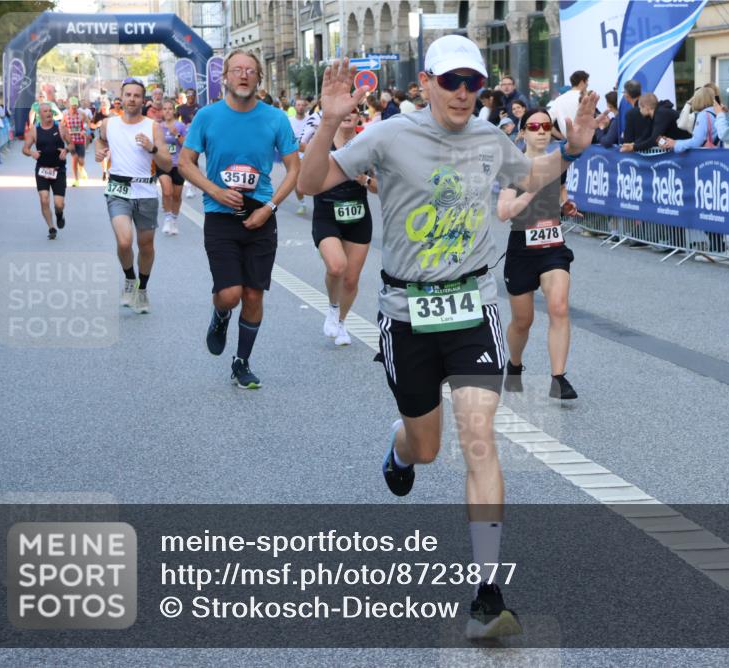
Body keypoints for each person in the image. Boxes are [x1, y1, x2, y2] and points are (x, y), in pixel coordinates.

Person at [297, 38, 598, 639]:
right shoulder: (387, 136)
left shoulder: (490, 137)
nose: (464, 93)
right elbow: (309, 184)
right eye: (454, 81)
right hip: (406, 310)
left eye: (474, 84)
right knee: (427, 448)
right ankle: (401, 444)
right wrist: (330, 121)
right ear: (428, 81)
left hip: (474, 304)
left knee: (479, 438)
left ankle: (487, 592)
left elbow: (529, 172)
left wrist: (573, 148)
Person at [179, 49, 300, 388]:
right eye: (237, 70)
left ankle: (242, 362)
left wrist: (270, 207)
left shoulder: (275, 118)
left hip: (260, 214)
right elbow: (185, 162)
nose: (244, 75)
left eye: (250, 70)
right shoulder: (207, 116)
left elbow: (294, 169)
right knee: (230, 294)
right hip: (221, 214)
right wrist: (214, 191)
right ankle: (220, 316)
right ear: (226, 78)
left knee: (253, 295)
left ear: (259, 78)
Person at [498, 108, 580, 399]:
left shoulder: (558, 163)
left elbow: (561, 196)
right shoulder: (514, 168)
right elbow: (502, 213)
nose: (542, 130)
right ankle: (515, 364)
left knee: (559, 307)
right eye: (534, 126)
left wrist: (565, 206)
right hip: (521, 248)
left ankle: (558, 379)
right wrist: (529, 193)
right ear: (523, 133)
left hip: (553, 247)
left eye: (547, 125)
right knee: (523, 321)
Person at [94, 77, 173, 314]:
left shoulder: (152, 127)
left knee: (146, 245)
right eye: (128, 95)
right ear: (122, 97)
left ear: (143, 99)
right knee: (124, 241)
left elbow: (167, 164)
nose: (132, 99)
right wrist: (100, 153)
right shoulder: (108, 124)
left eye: (137, 95)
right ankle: (129, 279)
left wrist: (152, 148)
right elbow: (100, 142)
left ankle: (142, 289)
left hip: (146, 190)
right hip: (118, 188)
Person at [303, 107, 376, 347]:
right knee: (336, 267)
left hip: (358, 215)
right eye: (343, 110)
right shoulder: (321, 142)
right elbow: (305, 178)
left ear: (358, 116)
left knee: (351, 280)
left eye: (353, 111)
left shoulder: (367, 144)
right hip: (327, 213)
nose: (347, 114)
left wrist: (363, 179)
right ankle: (333, 307)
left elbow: (379, 186)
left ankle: (342, 322)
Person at [23, 102, 74, 239]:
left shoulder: (61, 128)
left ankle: (59, 214)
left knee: (59, 204)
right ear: (39, 115)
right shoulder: (34, 130)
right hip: (42, 170)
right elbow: (25, 149)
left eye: (50, 111)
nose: (49, 113)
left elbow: (72, 144)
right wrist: (32, 153)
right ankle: (51, 227)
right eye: (45, 111)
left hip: (58, 170)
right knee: (44, 199)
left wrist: (66, 150)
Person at [659, 86, 720, 152]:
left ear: (698, 99)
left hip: (706, 156)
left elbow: (697, 141)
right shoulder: (718, 112)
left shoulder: (703, 115)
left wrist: (675, 143)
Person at [158, 99, 188, 235]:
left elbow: (187, 145)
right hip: (163, 163)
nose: (168, 111)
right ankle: (167, 218)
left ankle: (174, 220)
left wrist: (176, 134)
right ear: (162, 111)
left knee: (176, 196)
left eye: (170, 108)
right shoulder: (158, 127)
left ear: (173, 111)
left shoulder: (180, 126)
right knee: (166, 192)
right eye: (165, 109)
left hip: (178, 164)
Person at [620, 93, 688, 153]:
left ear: (646, 107)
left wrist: (633, 147)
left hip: (687, 147)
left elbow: (653, 139)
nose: (640, 111)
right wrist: (633, 144)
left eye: (640, 108)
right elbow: (647, 135)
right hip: (681, 147)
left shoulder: (661, 113)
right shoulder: (654, 115)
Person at [549, 70, 588, 140]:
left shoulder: (559, 100)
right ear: (582, 82)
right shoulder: (586, 98)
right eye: (587, 82)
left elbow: (547, 122)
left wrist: (561, 137)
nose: (587, 85)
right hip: (585, 141)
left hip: (567, 142)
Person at [62, 97, 90, 186]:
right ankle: (76, 180)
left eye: (76, 107)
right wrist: (65, 132)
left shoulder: (82, 114)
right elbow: (62, 125)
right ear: (69, 106)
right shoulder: (66, 115)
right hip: (71, 140)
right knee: (74, 158)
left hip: (80, 139)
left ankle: (81, 169)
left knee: (81, 161)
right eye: (73, 107)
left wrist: (84, 130)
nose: (74, 109)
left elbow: (88, 122)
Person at [91, 99, 111, 179]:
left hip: (111, 138)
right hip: (101, 138)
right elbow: (91, 125)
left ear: (108, 107)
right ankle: (104, 171)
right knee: (103, 156)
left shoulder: (112, 115)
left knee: (110, 155)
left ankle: (109, 172)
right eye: (102, 106)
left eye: (105, 106)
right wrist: (96, 125)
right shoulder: (98, 115)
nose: (103, 108)